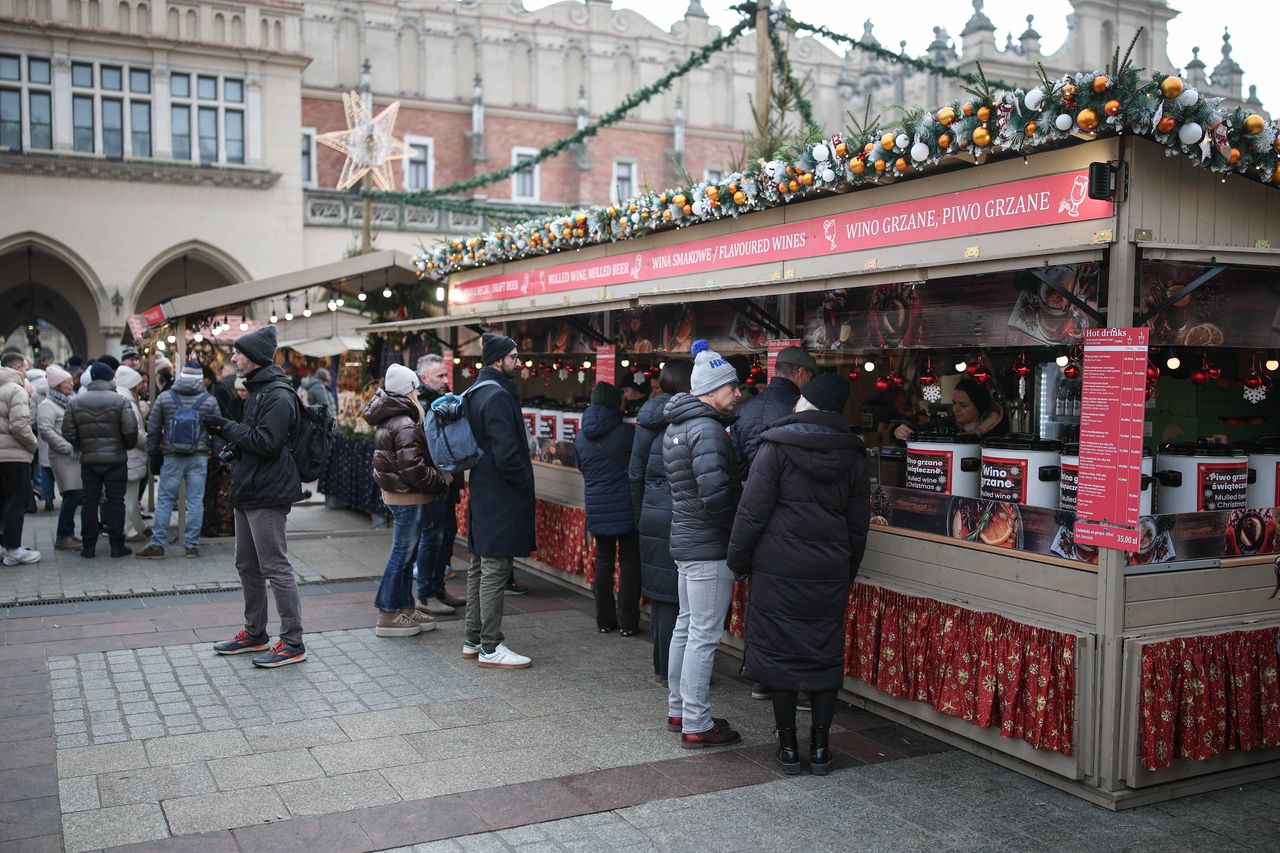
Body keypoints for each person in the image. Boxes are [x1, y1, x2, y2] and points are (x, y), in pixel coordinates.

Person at [728, 373, 871, 775]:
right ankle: (823, 749)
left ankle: (789, 748)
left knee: (782, 656)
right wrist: (846, 571)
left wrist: (738, 561)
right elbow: (858, 525)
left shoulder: (775, 447)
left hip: (778, 565)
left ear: (804, 401)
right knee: (824, 655)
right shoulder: (855, 454)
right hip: (829, 568)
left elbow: (751, 512)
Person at [203, 325, 307, 668]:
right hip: (248, 489)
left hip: (267, 491)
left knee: (275, 566)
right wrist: (232, 445)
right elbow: (253, 438)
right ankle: (255, 632)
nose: (233, 358)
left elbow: (266, 442)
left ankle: (293, 641)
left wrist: (224, 427)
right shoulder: (258, 391)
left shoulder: (277, 394)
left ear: (256, 358)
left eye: (239, 353)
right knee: (247, 564)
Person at [663, 339, 743, 747]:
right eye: (732, 386)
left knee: (686, 626)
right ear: (712, 390)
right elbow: (716, 496)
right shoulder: (708, 429)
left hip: (686, 540)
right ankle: (697, 722)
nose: (739, 393)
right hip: (709, 545)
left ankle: (679, 709)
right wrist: (738, 530)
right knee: (704, 635)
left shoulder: (677, 426)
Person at [463, 333, 535, 669]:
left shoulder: (476, 391)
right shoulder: (497, 396)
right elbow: (507, 455)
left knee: (479, 565)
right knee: (494, 568)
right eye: (514, 357)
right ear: (498, 359)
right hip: (501, 493)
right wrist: (524, 483)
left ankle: (472, 638)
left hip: (482, 488)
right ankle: (490, 647)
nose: (518, 363)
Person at [364, 363, 452, 637]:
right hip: (408, 496)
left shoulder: (393, 417)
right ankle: (388, 612)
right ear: (409, 390)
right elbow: (412, 467)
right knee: (401, 555)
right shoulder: (404, 421)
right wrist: (441, 481)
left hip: (400, 494)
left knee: (405, 553)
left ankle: (404, 606)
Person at [628, 359, 693, 683]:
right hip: (681, 516)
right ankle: (676, 672)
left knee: (661, 596)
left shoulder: (647, 420)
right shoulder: (692, 419)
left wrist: (642, 516)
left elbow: (634, 473)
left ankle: (661, 667)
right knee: (680, 598)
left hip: (653, 516)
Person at [574, 381, 640, 635]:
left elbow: (581, 467)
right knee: (630, 562)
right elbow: (636, 467)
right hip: (625, 507)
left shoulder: (581, 436)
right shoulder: (626, 433)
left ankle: (604, 620)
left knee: (603, 562)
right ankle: (628, 623)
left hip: (597, 507)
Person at [137, 363, 222, 559]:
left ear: (180, 377)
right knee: (195, 501)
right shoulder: (209, 400)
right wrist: (217, 455)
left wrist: (154, 455)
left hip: (172, 456)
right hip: (199, 456)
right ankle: (191, 545)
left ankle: (158, 544)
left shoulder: (165, 398)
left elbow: (154, 429)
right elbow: (218, 431)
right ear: (200, 379)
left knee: (165, 500)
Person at [62, 361, 138, 559]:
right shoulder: (120, 401)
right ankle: (116, 545)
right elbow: (131, 430)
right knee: (116, 501)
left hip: (89, 460)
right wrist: (125, 445)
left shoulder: (76, 401)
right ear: (108, 378)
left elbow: (67, 431)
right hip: (115, 459)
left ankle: (88, 546)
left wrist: (82, 444)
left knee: (89, 502)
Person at [414, 354, 467, 616]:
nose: (446, 380)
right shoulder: (421, 405)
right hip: (434, 483)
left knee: (447, 534)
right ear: (425, 378)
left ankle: (438, 588)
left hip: (448, 481)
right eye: (440, 376)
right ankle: (426, 594)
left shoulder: (443, 401)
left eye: (446, 375)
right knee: (432, 537)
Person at [731, 346, 818, 476]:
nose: (809, 382)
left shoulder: (743, 409)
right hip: (790, 491)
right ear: (800, 373)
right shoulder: (802, 409)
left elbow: (737, 462)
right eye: (809, 377)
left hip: (752, 491)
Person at [1, 352, 41, 565]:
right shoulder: (16, 389)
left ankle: (3, 546)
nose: (26, 373)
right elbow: (19, 425)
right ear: (17, 368)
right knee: (15, 504)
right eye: (25, 368)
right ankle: (14, 550)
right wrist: (32, 444)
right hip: (14, 457)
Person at [38, 366, 83, 551]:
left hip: (74, 455)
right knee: (72, 494)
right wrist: (66, 446)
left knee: (73, 494)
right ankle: (63, 535)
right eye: (67, 382)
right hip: (61, 456)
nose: (71, 384)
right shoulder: (47, 405)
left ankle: (68, 533)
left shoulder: (71, 400)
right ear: (57, 385)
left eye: (71, 380)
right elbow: (46, 430)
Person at [893, 377, 1009, 442]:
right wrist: (898, 431)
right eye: (954, 403)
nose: (956, 409)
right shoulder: (947, 424)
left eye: (963, 405)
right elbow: (916, 430)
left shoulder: (995, 428)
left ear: (979, 406)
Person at [114, 365, 150, 543]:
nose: (141, 387)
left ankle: (137, 526)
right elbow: (134, 433)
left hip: (126, 455)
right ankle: (129, 530)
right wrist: (148, 441)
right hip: (132, 456)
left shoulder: (120, 398)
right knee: (129, 496)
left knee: (131, 496)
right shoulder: (128, 402)